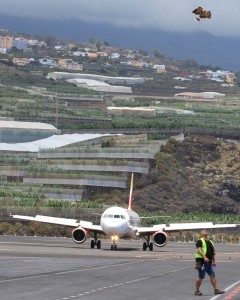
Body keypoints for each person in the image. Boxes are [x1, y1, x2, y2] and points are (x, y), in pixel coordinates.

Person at [194, 229, 225, 296]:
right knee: (200, 277)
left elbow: (213, 252)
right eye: (202, 231)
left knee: (212, 275)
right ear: (200, 234)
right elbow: (199, 250)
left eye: (205, 230)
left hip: (209, 262)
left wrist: (214, 261)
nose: (205, 231)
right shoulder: (200, 241)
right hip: (202, 262)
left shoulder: (210, 242)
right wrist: (204, 257)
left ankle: (216, 290)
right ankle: (197, 290)